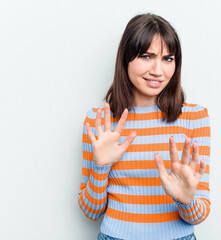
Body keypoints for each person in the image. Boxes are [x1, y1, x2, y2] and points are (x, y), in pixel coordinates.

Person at [78, 13, 211, 240]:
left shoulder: (194, 117)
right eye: (147, 56)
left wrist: (185, 200)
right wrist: (101, 167)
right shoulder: (99, 121)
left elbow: (200, 212)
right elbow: (91, 211)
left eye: (168, 59)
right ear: (126, 59)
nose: (158, 70)